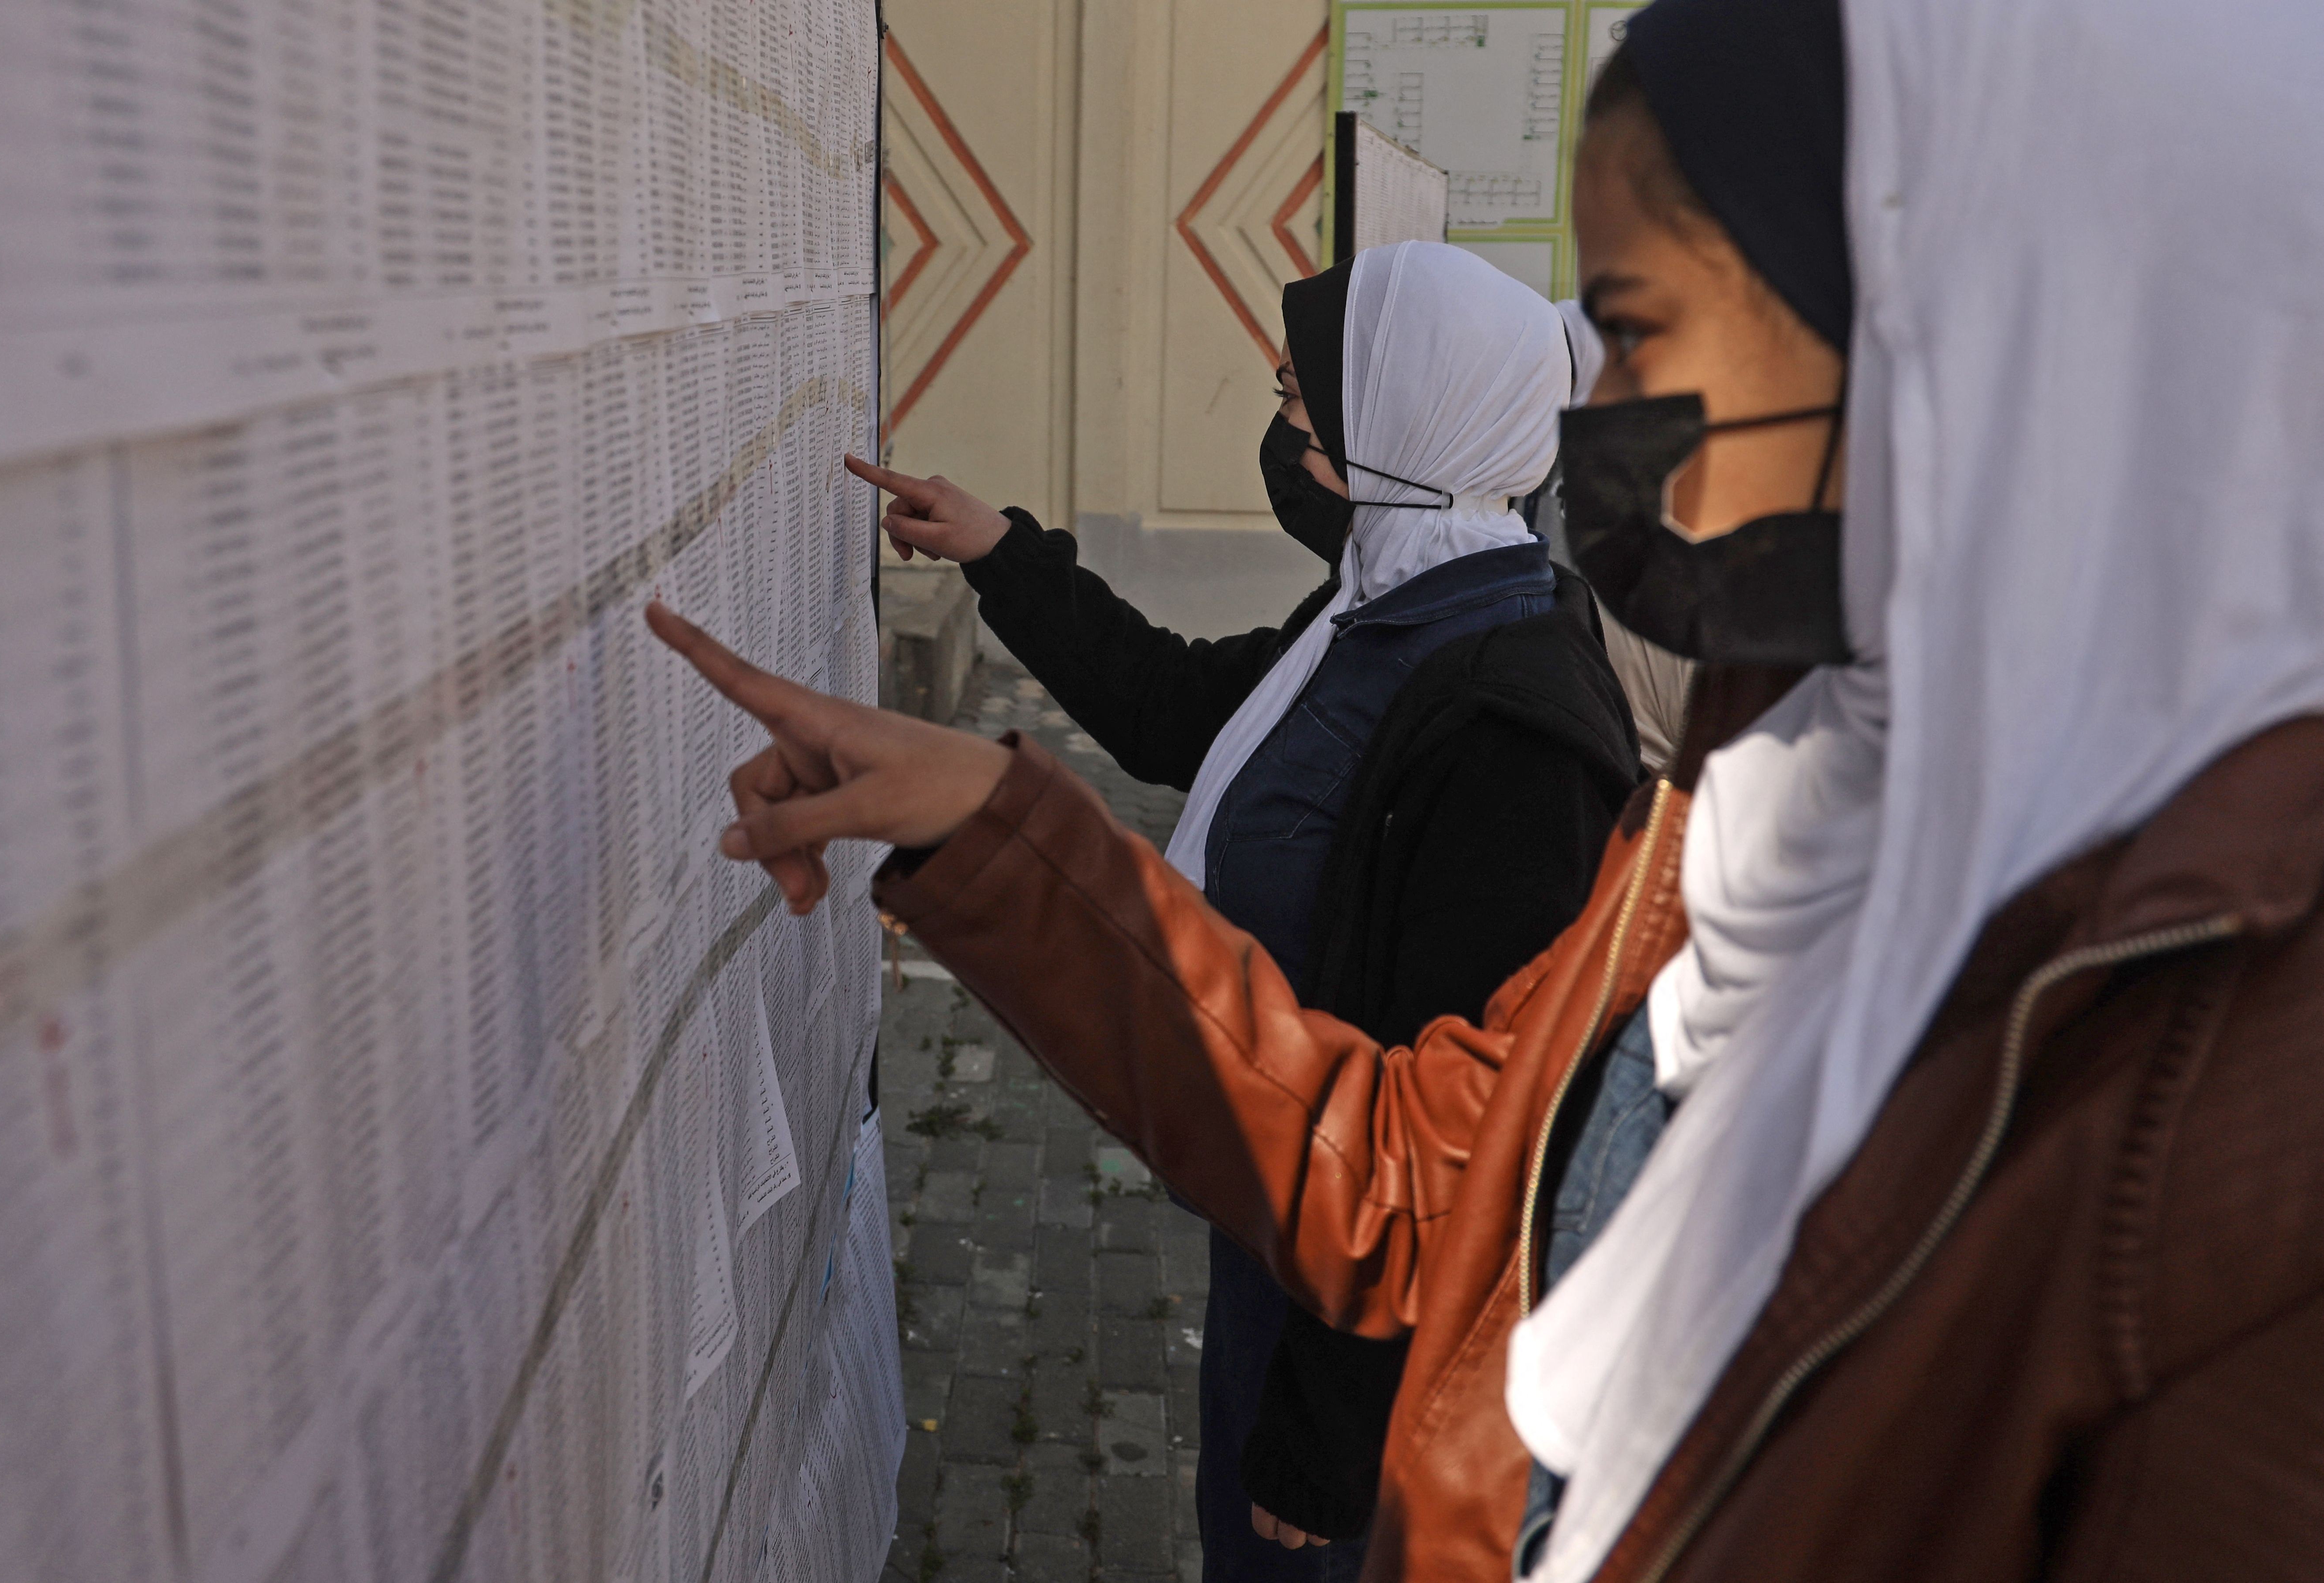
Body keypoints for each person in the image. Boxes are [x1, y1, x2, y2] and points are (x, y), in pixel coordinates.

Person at [648, 0, 2324, 1576]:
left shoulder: (2227, 1182)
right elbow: (1424, 1183)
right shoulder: (1755, 828)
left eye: (1657, 339)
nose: (1606, 435)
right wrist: (985, 822)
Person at [849, 239, 1642, 1576]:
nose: (1276, 436)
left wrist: (1325, 1442)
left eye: (1296, 409)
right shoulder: (1387, 612)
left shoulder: (1508, 717)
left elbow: (1457, 1144)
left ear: (1402, 426)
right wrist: (1002, 556)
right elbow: (1173, 710)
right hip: (1290, 1237)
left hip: (1368, 1345)